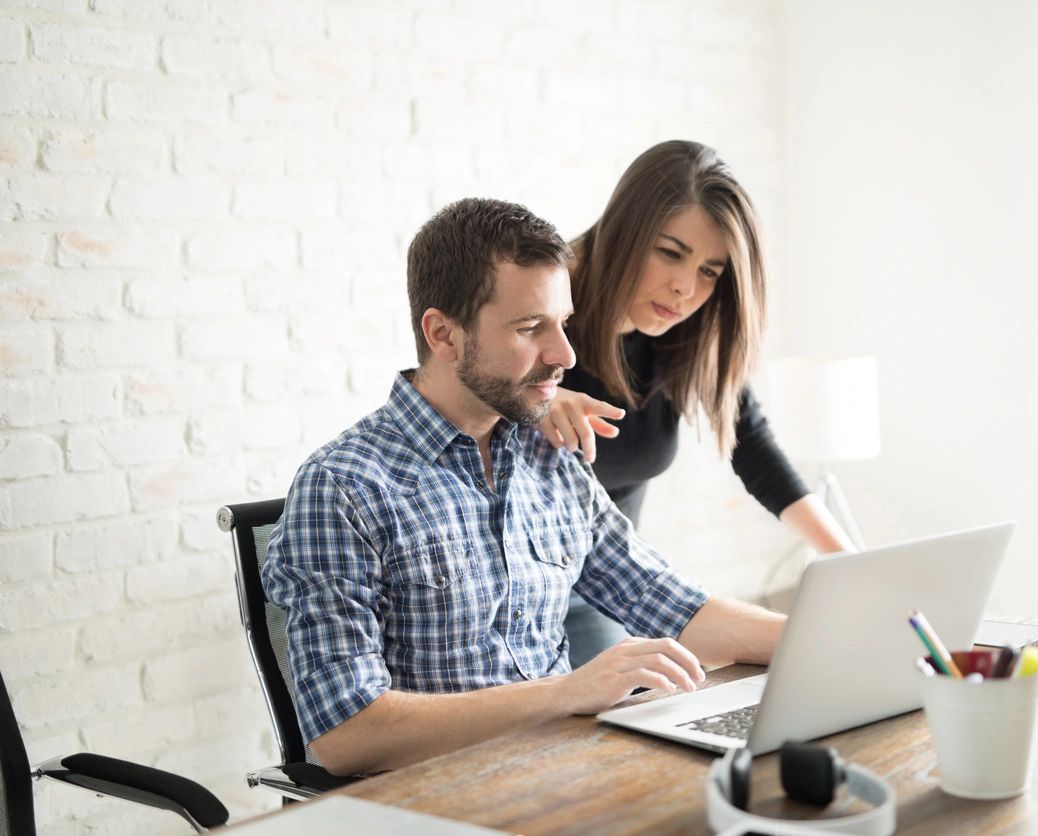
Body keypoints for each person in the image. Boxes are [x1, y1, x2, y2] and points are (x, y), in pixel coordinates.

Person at [261, 197, 786, 777]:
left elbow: (672, 605)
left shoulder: (550, 460)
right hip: (437, 804)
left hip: (559, 780)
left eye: (563, 323)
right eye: (530, 328)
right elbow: (347, 734)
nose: (564, 354)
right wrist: (568, 693)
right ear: (443, 334)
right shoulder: (343, 487)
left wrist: (838, 635)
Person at [536, 140, 855, 666]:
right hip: (515, 597)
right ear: (625, 231)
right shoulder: (540, 306)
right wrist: (535, 400)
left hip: (612, 585)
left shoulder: (680, 334)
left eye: (710, 271)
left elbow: (750, 442)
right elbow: (455, 396)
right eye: (670, 253)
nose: (685, 288)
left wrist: (850, 564)